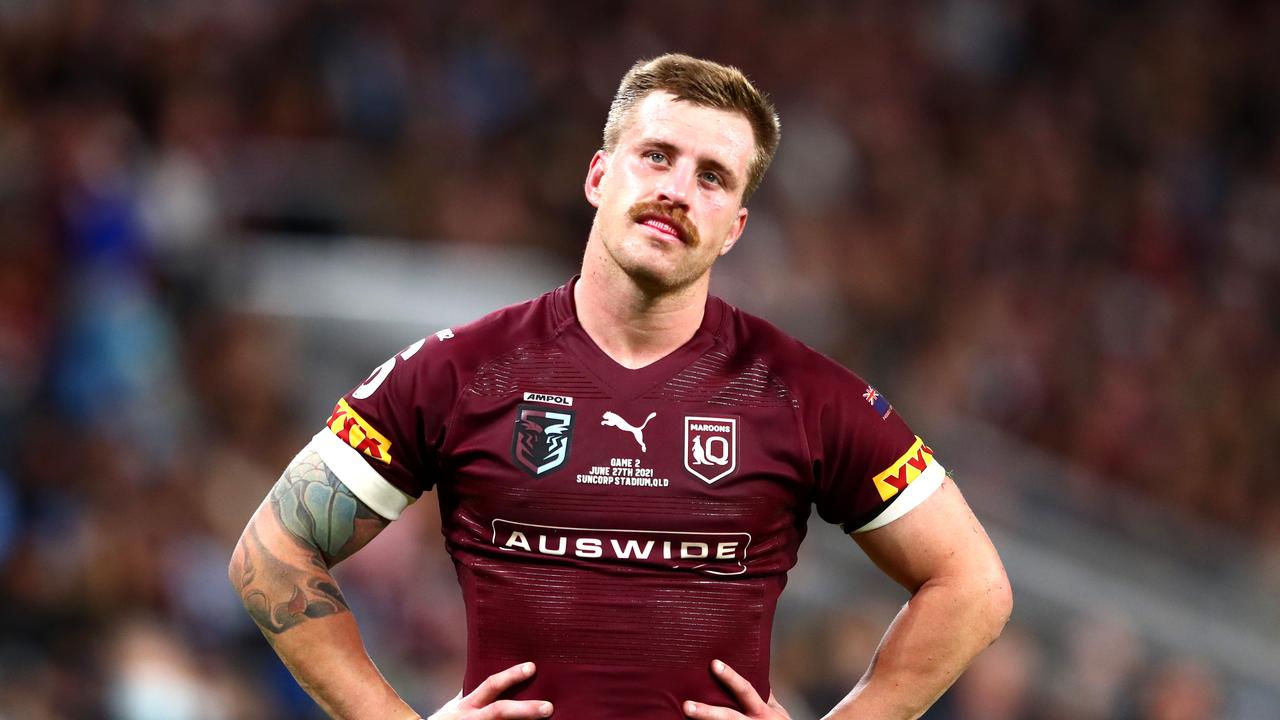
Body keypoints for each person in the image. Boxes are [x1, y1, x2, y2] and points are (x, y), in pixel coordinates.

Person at [229, 53, 1012, 720]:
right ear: (600, 175)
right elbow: (270, 555)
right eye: (657, 155)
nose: (678, 188)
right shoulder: (459, 371)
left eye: (713, 177)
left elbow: (972, 585)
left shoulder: (803, 393)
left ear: (734, 226)